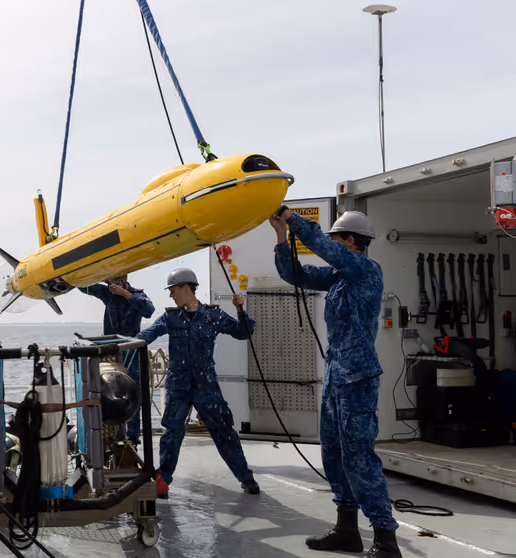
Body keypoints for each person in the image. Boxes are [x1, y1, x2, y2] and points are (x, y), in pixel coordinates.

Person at [271, 207, 401, 558]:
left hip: (357, 377)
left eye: (336, 238)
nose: (331, 244)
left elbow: (326, 251)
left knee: (358, 457)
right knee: (333, 453)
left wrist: (292, 217)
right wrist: (282, 236)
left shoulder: (365, 270)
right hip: (336, 376)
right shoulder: (339, 278)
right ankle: (347, 530)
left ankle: (386, 541)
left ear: (350, 241)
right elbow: (294, 274)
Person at [136, 268, 260, 499]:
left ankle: (246, 477)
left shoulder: (213, 316)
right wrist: (120, 344)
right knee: (172, 432)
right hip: (178, 385)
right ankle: (163, 481)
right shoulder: (171, 318)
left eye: (173, 290)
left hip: (206, 386)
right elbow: (147, 336)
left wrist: (240, 309)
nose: (171, 295)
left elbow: (243, 333)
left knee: (224, 431)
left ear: (185, 288)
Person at [78, 274, 154, 445]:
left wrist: (126, 294)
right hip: (110, 352)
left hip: (131, 352)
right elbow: (84, 287)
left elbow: (149, 311)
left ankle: (132, 439)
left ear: (124, 279)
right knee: (106, 392)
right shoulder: (106, 294)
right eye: (109, 281)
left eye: (115, 281)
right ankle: (109, 438)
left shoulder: (138, 294)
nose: (111, 285)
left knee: (134, 395)